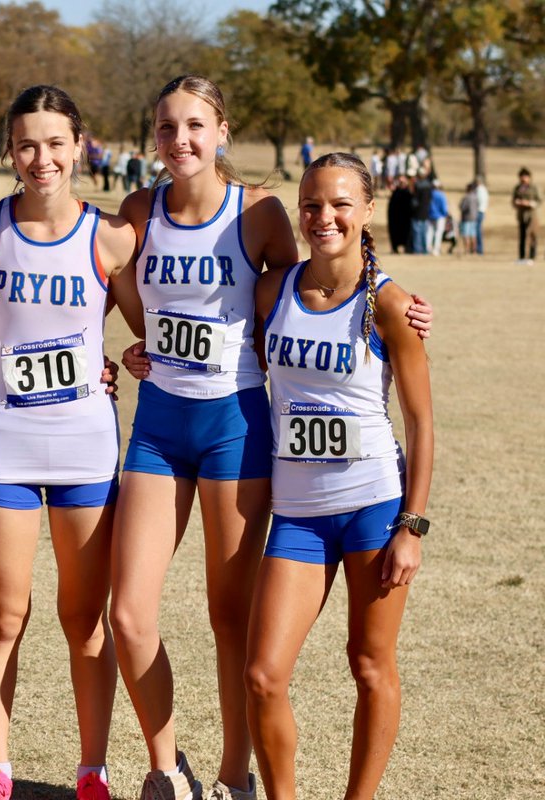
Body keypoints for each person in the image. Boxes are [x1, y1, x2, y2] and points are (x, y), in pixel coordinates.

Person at [112, 75, 432, 800]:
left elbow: (324, 291)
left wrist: (403, 308)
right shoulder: (138, 210)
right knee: (131, 614)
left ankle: (236, 779)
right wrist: (139, 346)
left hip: (245, 430)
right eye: (166, 127)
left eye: (196, 125)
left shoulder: (258, 214)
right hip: (166, 427)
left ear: (222, 130)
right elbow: (114, 279)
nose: (180, 140)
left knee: (246, 624)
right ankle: (168, 770)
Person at [0, 85, 136, 800]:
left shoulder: (111, 237)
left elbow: (151, 326)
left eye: (56, 143)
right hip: (3, 443)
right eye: (27, 144)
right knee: (4, 614)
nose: (42, 158)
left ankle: (92, 769)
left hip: (84, 448)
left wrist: (126, 359)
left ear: (79, 145)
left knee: (84, 620)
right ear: (10, 150)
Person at [246, 152, 433, 800]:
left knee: (369, 664)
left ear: (368, 211)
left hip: (372, 507)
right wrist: (134, 356)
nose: (324, 217)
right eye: (312, 205)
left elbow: (421, 424)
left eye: (340, 204)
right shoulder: (271, 291)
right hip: (297, 514)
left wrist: (412, 526)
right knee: (263, 676)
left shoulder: (392, 305)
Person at [512, 167, 539, 265]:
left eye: (525, 177)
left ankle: (532, 256)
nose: (523, 179)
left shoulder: (533, 188)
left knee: (532, 235)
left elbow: (539, 200)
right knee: (522, 236)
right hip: (521, 215)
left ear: (529, 177)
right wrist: (517, 203)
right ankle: (522, 257)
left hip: (531, 215)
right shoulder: (517, 188)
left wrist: (529, 203)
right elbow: (513, 200)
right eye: (522, 177)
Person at [387, 175, 413, 253]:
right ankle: (395, 248)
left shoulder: (408, 193)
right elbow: (391, 207)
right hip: (395, 219)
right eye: (400, 182)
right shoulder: (395, 193)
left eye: (403, 182)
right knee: (395, 234)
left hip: (406, 219)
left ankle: (407, 248)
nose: (402, 183)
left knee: (406, 233)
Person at [427, 180, 448, 256]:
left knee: (429, 233)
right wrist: (446, 214)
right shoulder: (441, 195)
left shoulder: (429, 194)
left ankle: (428, 249)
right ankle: (436, 250)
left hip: (430, 215)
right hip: (440, 216)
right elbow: (444, 208)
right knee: (438, 233)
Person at [474, 174, 489, 255]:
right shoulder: (484, 189)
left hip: (478, 211)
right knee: (478, 230)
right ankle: (478, 248)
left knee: (477, 231)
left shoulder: (479, 190)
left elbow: (478, 201)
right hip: (482, 211)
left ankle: (479, 249)